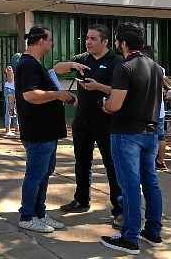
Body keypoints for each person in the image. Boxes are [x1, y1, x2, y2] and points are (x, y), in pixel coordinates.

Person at [101, 23, 164, 255]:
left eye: (118, 42)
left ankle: (129, 237)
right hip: (150, 133)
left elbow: (115, 104)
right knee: (151, 183)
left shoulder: (124, 67)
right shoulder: (156, 68)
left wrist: (105, 105)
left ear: (123, 44)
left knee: (129, 186)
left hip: (126, 134)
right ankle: (153, 231)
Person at [15, 26, 83, 233]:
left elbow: (50, 76)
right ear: (41, 41)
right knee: (35, 174)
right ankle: (27, 216)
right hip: (38, 132)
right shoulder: (27, 64)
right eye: (50, 39)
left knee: (44, 174)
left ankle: (39, 213)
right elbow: (30, 95)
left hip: (47, 131)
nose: (52, 43)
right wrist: (58, 95)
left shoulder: (36, 64)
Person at [55, 24, 123, 227]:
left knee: (112, 165)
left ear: (105, 42)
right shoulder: (82, 59)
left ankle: (119, 209)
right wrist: (72, 66)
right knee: (81, 162)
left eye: (93, 39)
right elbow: (56, 69)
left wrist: (98, 87)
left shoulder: (116, 62)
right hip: (82, 120)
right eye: (87, 38)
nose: (88, 42)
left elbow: (120, 91)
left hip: (106, 122)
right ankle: (81, 199)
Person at [3, 66, 18, 138]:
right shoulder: (10, 69)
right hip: (9, 89)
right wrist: (9, 71)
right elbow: (10, 78)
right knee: (10, 109)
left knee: (15, 110)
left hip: (14, 90)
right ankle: (7, 130)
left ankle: (16, 129)